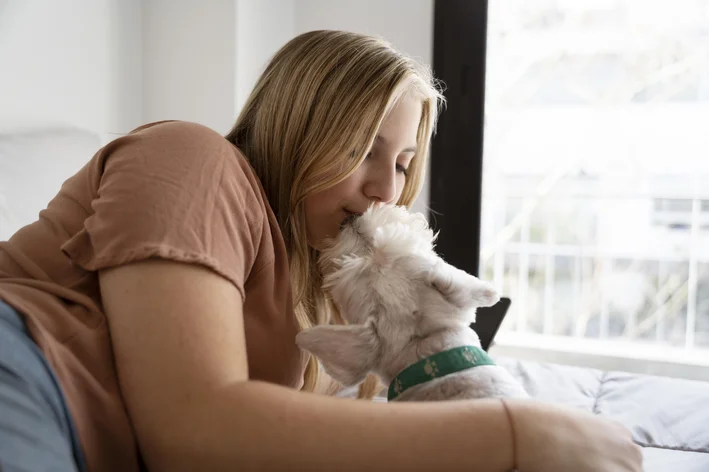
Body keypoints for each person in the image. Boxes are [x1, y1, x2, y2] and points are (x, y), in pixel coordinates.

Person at [0, 30, 641, 472]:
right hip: (24, 361)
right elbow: (192, 428)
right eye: (365, 149)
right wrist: (516, 432)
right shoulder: (191, 158)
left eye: (404, 163)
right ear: (301, 123)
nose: (387, 189)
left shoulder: (307, 293)